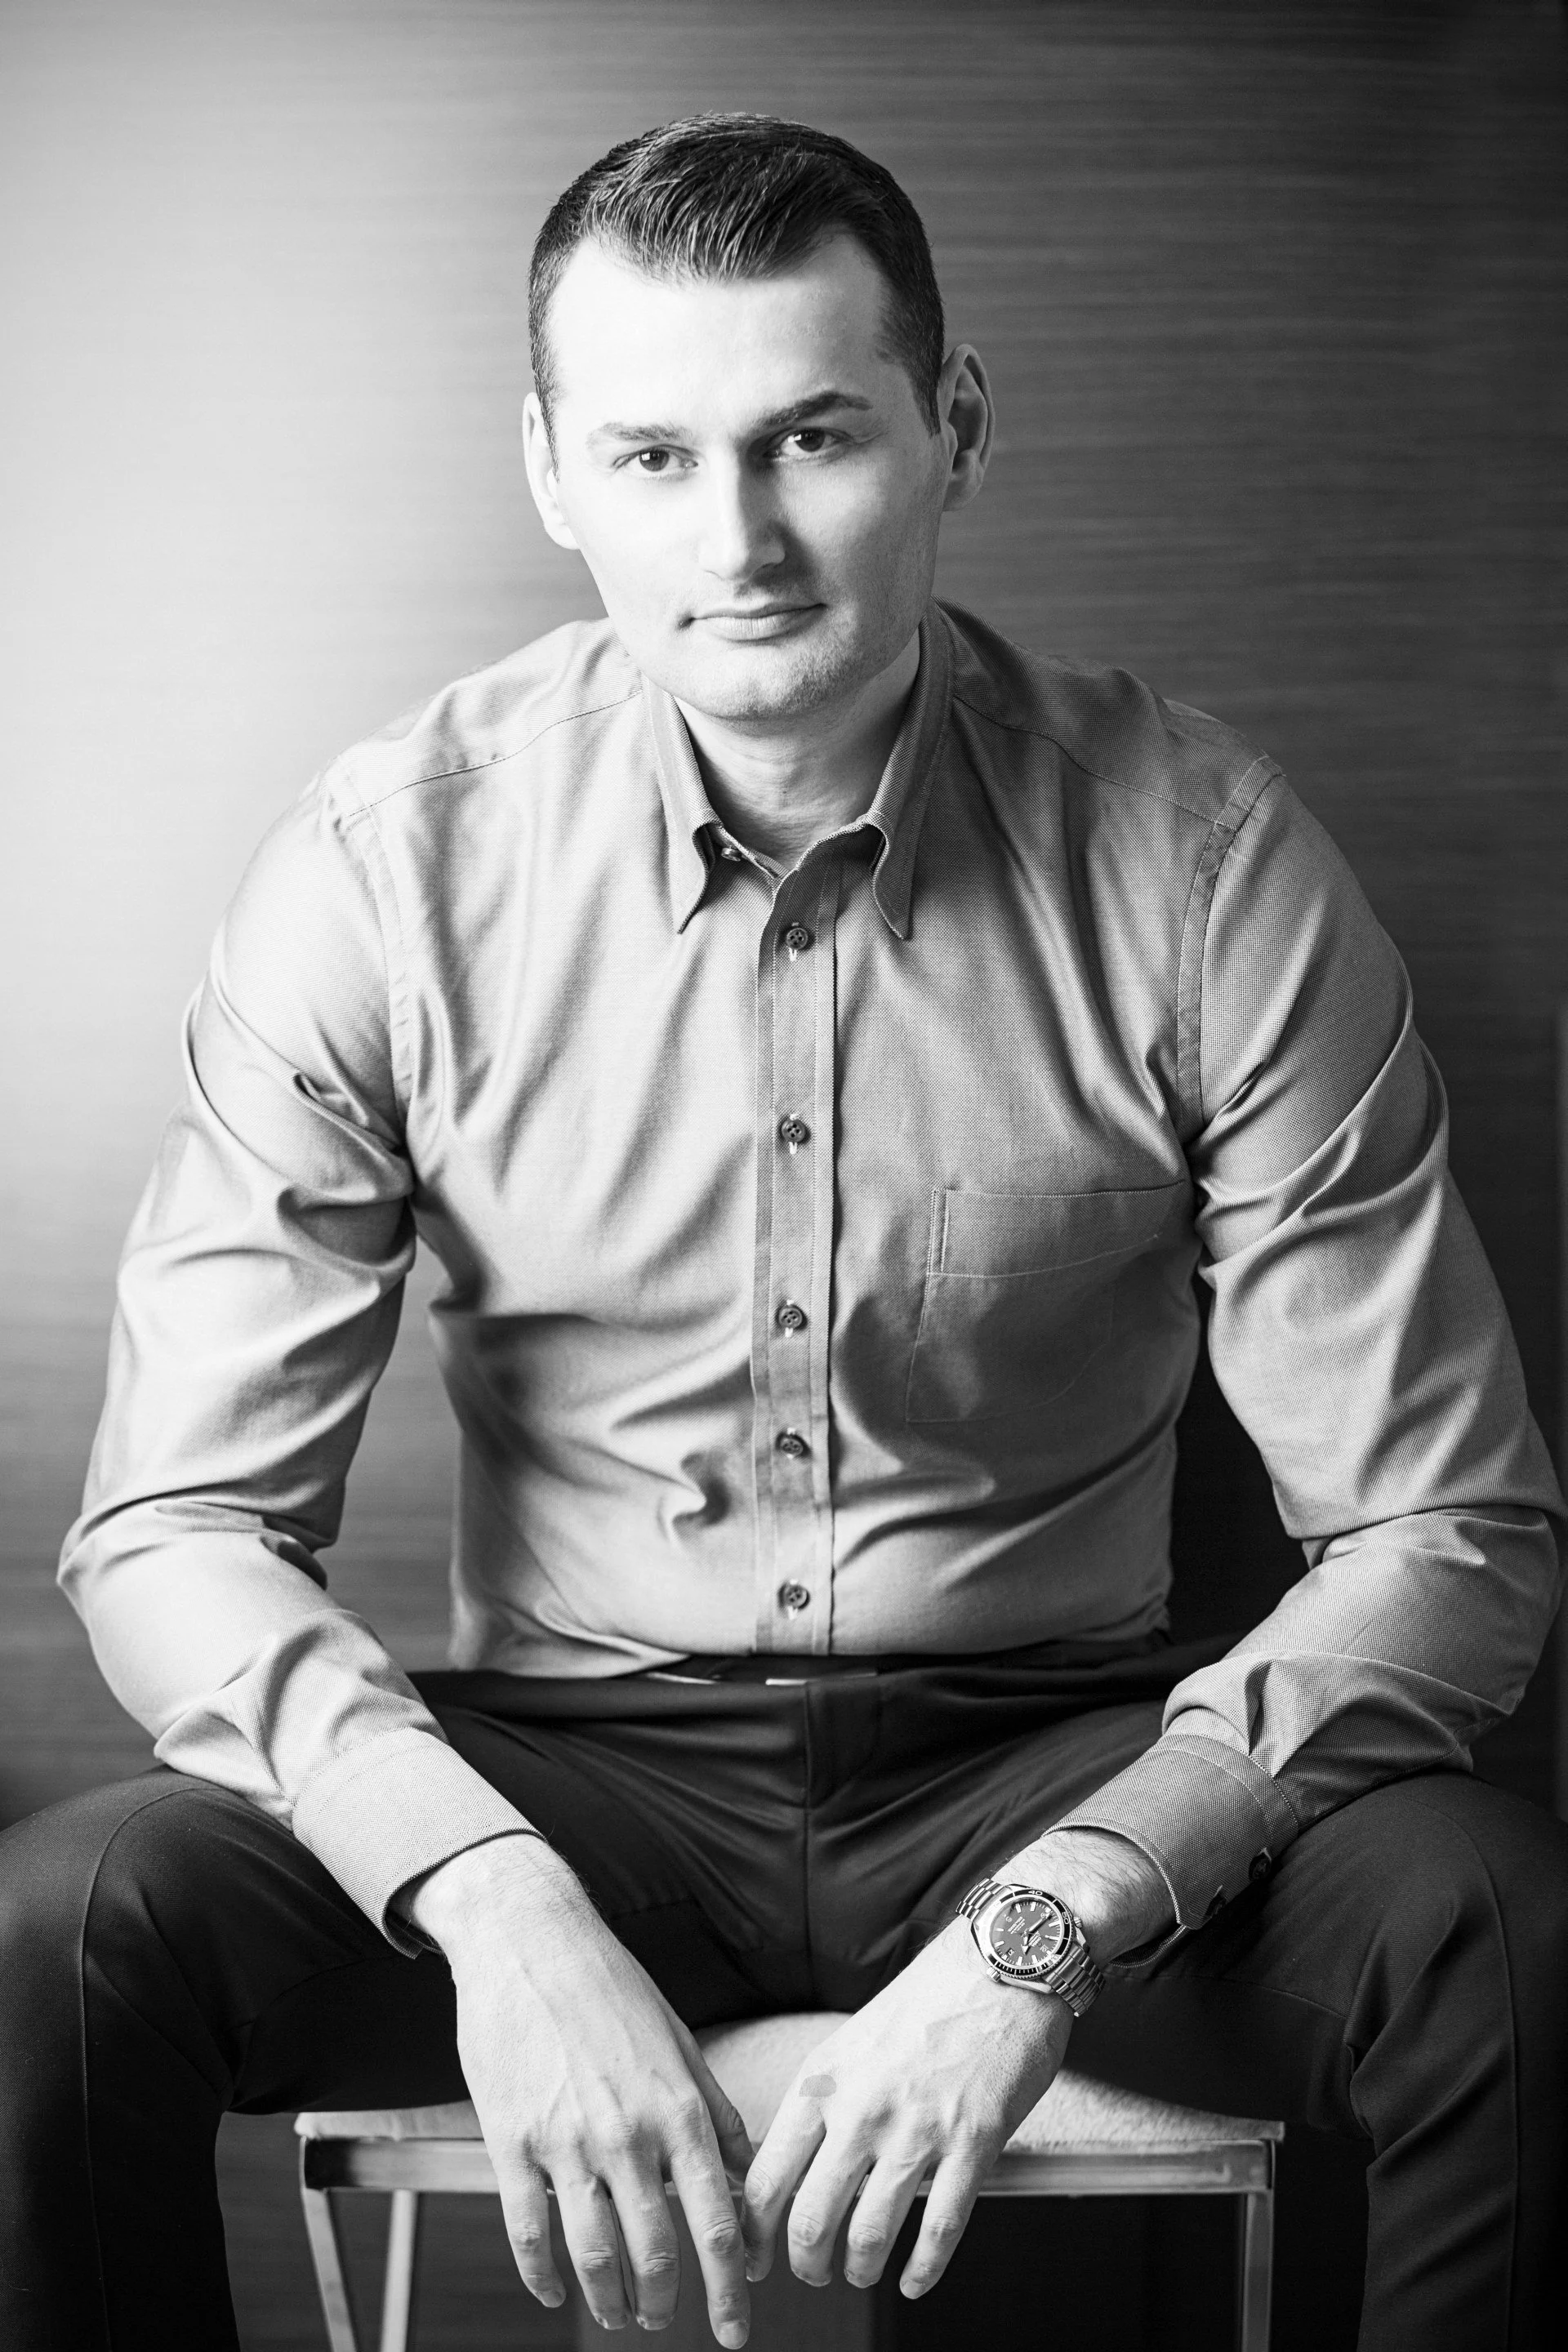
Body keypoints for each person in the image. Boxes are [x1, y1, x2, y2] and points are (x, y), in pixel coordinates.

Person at [2, 110, 1563, 2352]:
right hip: (572, 1773)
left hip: (1059, 1753)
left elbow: (1453, 1530)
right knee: (60, 1933)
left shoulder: (1202, 864)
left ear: (954, 430)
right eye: (651, 455)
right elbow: (168, 1530)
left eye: (811, 435)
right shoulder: (378, 872)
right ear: (550, 468)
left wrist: (1051, 1929)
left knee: (1497, 1925)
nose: (734, 539)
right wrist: (501, 1908)